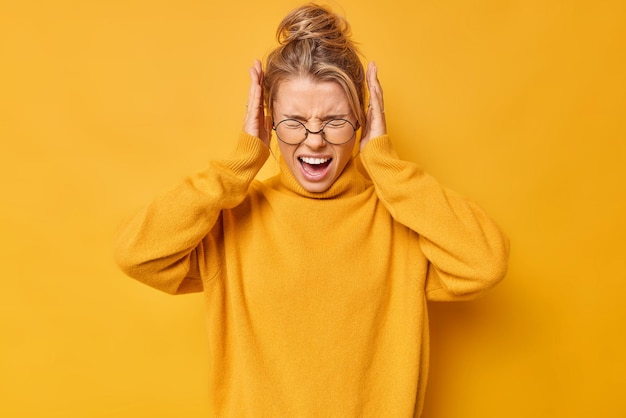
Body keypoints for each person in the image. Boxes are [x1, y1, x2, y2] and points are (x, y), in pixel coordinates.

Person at [114, 3, 509, 416]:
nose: (314, 140)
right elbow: (137, 253)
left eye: (335, 120)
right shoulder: (232, 222)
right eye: (294, 121)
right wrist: (238, 166)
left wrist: (387, 166)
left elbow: (484, 263)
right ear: (268, 122)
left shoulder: (402, 221)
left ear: (363, 120)